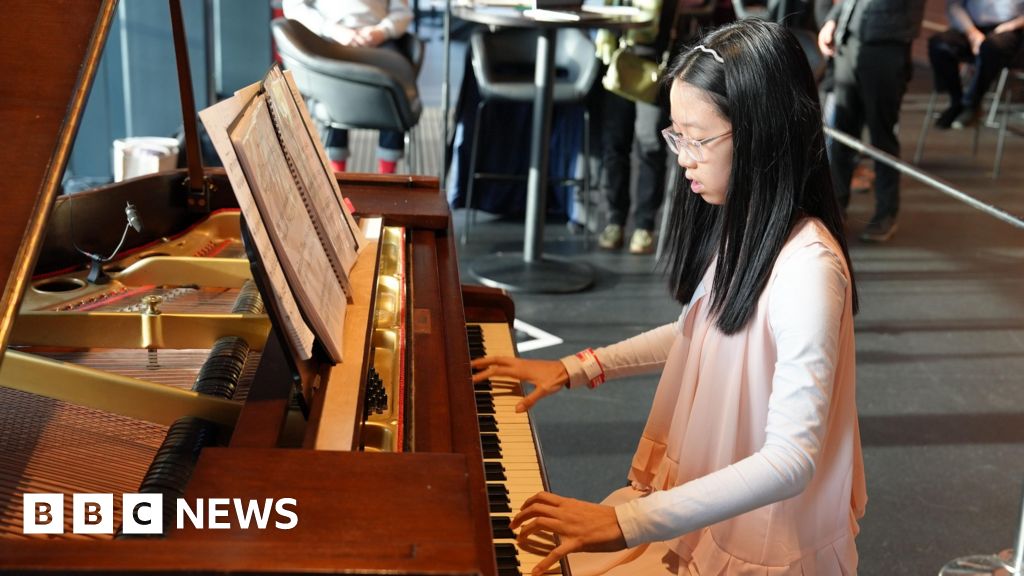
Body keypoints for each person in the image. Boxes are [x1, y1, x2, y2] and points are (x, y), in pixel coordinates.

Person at [472, 20, 865, 576]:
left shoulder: (810, 269)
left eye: (697, 138)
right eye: (675, 135)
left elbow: (791, 460)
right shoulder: (746, 223)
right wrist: (573, 367)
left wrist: (625, 524)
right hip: (708, 514)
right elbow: (700, 330)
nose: (683, 158)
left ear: (761, 132)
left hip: (762, 545)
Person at [818, 0, 925, 243]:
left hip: (886, 47)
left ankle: (886, 214)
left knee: (882, 137)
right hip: (849, 41)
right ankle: (837, 208)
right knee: (842, 133)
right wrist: (832, 20)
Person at [283, 0, 414, 174]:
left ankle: (388, 174)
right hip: (328, 39)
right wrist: (333, 30)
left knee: (395, 84)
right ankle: (336, 175)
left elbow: (403, 12)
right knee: (333, 85)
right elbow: (294, 7)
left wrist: (381, 31)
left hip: (379, 39)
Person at [593, 0, 676, 255]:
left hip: (656, 64)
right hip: (620, 60)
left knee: (649, 144)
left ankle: (644, 225)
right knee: (614, 144)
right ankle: (615, 220)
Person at [927, 0, 1024, 129]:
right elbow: (954, 6)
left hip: (1012, 29)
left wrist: (1011, 25)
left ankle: (972, 102)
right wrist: (972, 32)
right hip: (971, 26)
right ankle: (957, 101)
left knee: (992, 47)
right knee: (939, 45)